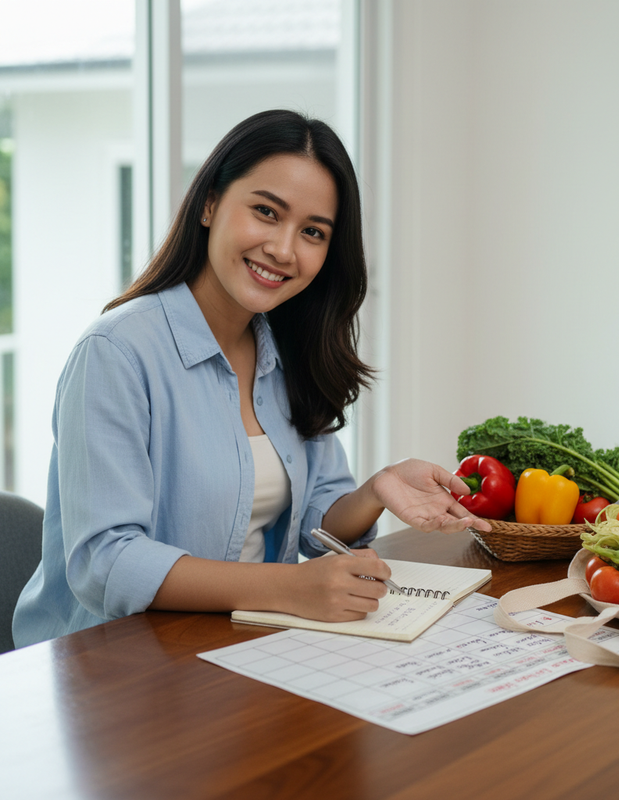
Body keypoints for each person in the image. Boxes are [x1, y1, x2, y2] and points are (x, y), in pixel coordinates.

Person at [13, 109, 491, 648]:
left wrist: (376, 490)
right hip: (116, 667)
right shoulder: (116, 352)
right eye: (266, 211)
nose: (284, 250)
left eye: (312, 232)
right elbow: (106, 563)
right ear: (211, 203)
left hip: (244, 647)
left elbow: (317, 524)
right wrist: (289, 588)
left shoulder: (288, 348)